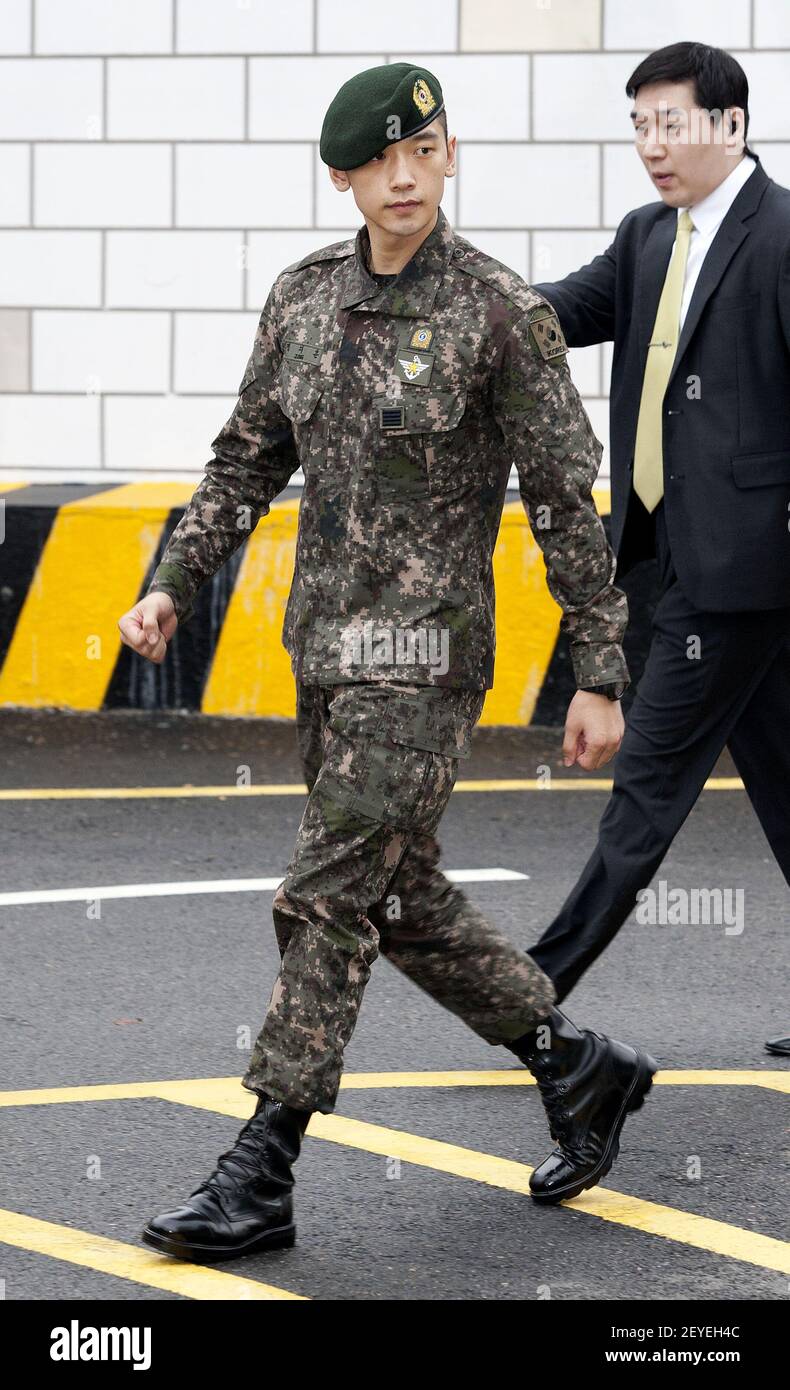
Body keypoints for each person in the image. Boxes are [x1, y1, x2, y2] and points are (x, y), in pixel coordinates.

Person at [117, 63, 657, 1263]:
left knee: (322, 895)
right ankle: (577, 1064)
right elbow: (242, 462)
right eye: (380, 161)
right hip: (326, 650)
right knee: (396, 899)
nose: (404, 177)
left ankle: (261, 1166)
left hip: (424, 662)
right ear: (346, 177)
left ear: (448, 156)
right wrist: (169, 580)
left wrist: (599, 668)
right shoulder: (303, 300)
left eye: (424, 153)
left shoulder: (499, 313)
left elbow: (568, 503)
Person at [525, 42, 790, 1057]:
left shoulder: (777, 234)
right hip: (664, 557)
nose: (649, 145)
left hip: (736, 577)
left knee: (646, 793)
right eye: (637, 125)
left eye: (668, 122)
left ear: (729, 123)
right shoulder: (647, 237)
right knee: (783, 779)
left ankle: (523, 996)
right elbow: (557, 311)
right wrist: (461, 302)